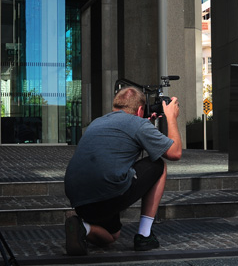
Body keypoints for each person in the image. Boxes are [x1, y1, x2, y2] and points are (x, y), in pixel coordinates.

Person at [63, 87, 182, 255]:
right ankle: (144, 235)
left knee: (112, 235)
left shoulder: (96, 122)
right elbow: (175, 153)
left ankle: (83, 228)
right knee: (158, 165)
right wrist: (171, 118)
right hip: (108, 193)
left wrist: (143, 124)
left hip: (78, 199)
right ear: (140, 110)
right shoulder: (138, 124)